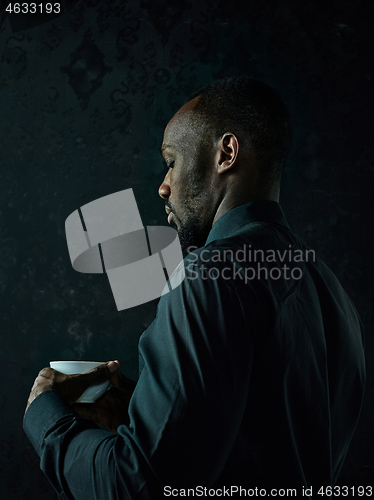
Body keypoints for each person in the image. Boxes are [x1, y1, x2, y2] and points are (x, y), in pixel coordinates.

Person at [24, 77, 365, 499]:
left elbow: (137, 487)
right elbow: (256, 442)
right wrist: (143, 407)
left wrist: (47, 418)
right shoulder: (332, 293)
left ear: (226, 154)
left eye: (171, 161)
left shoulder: (208, 276)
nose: (163, 186)